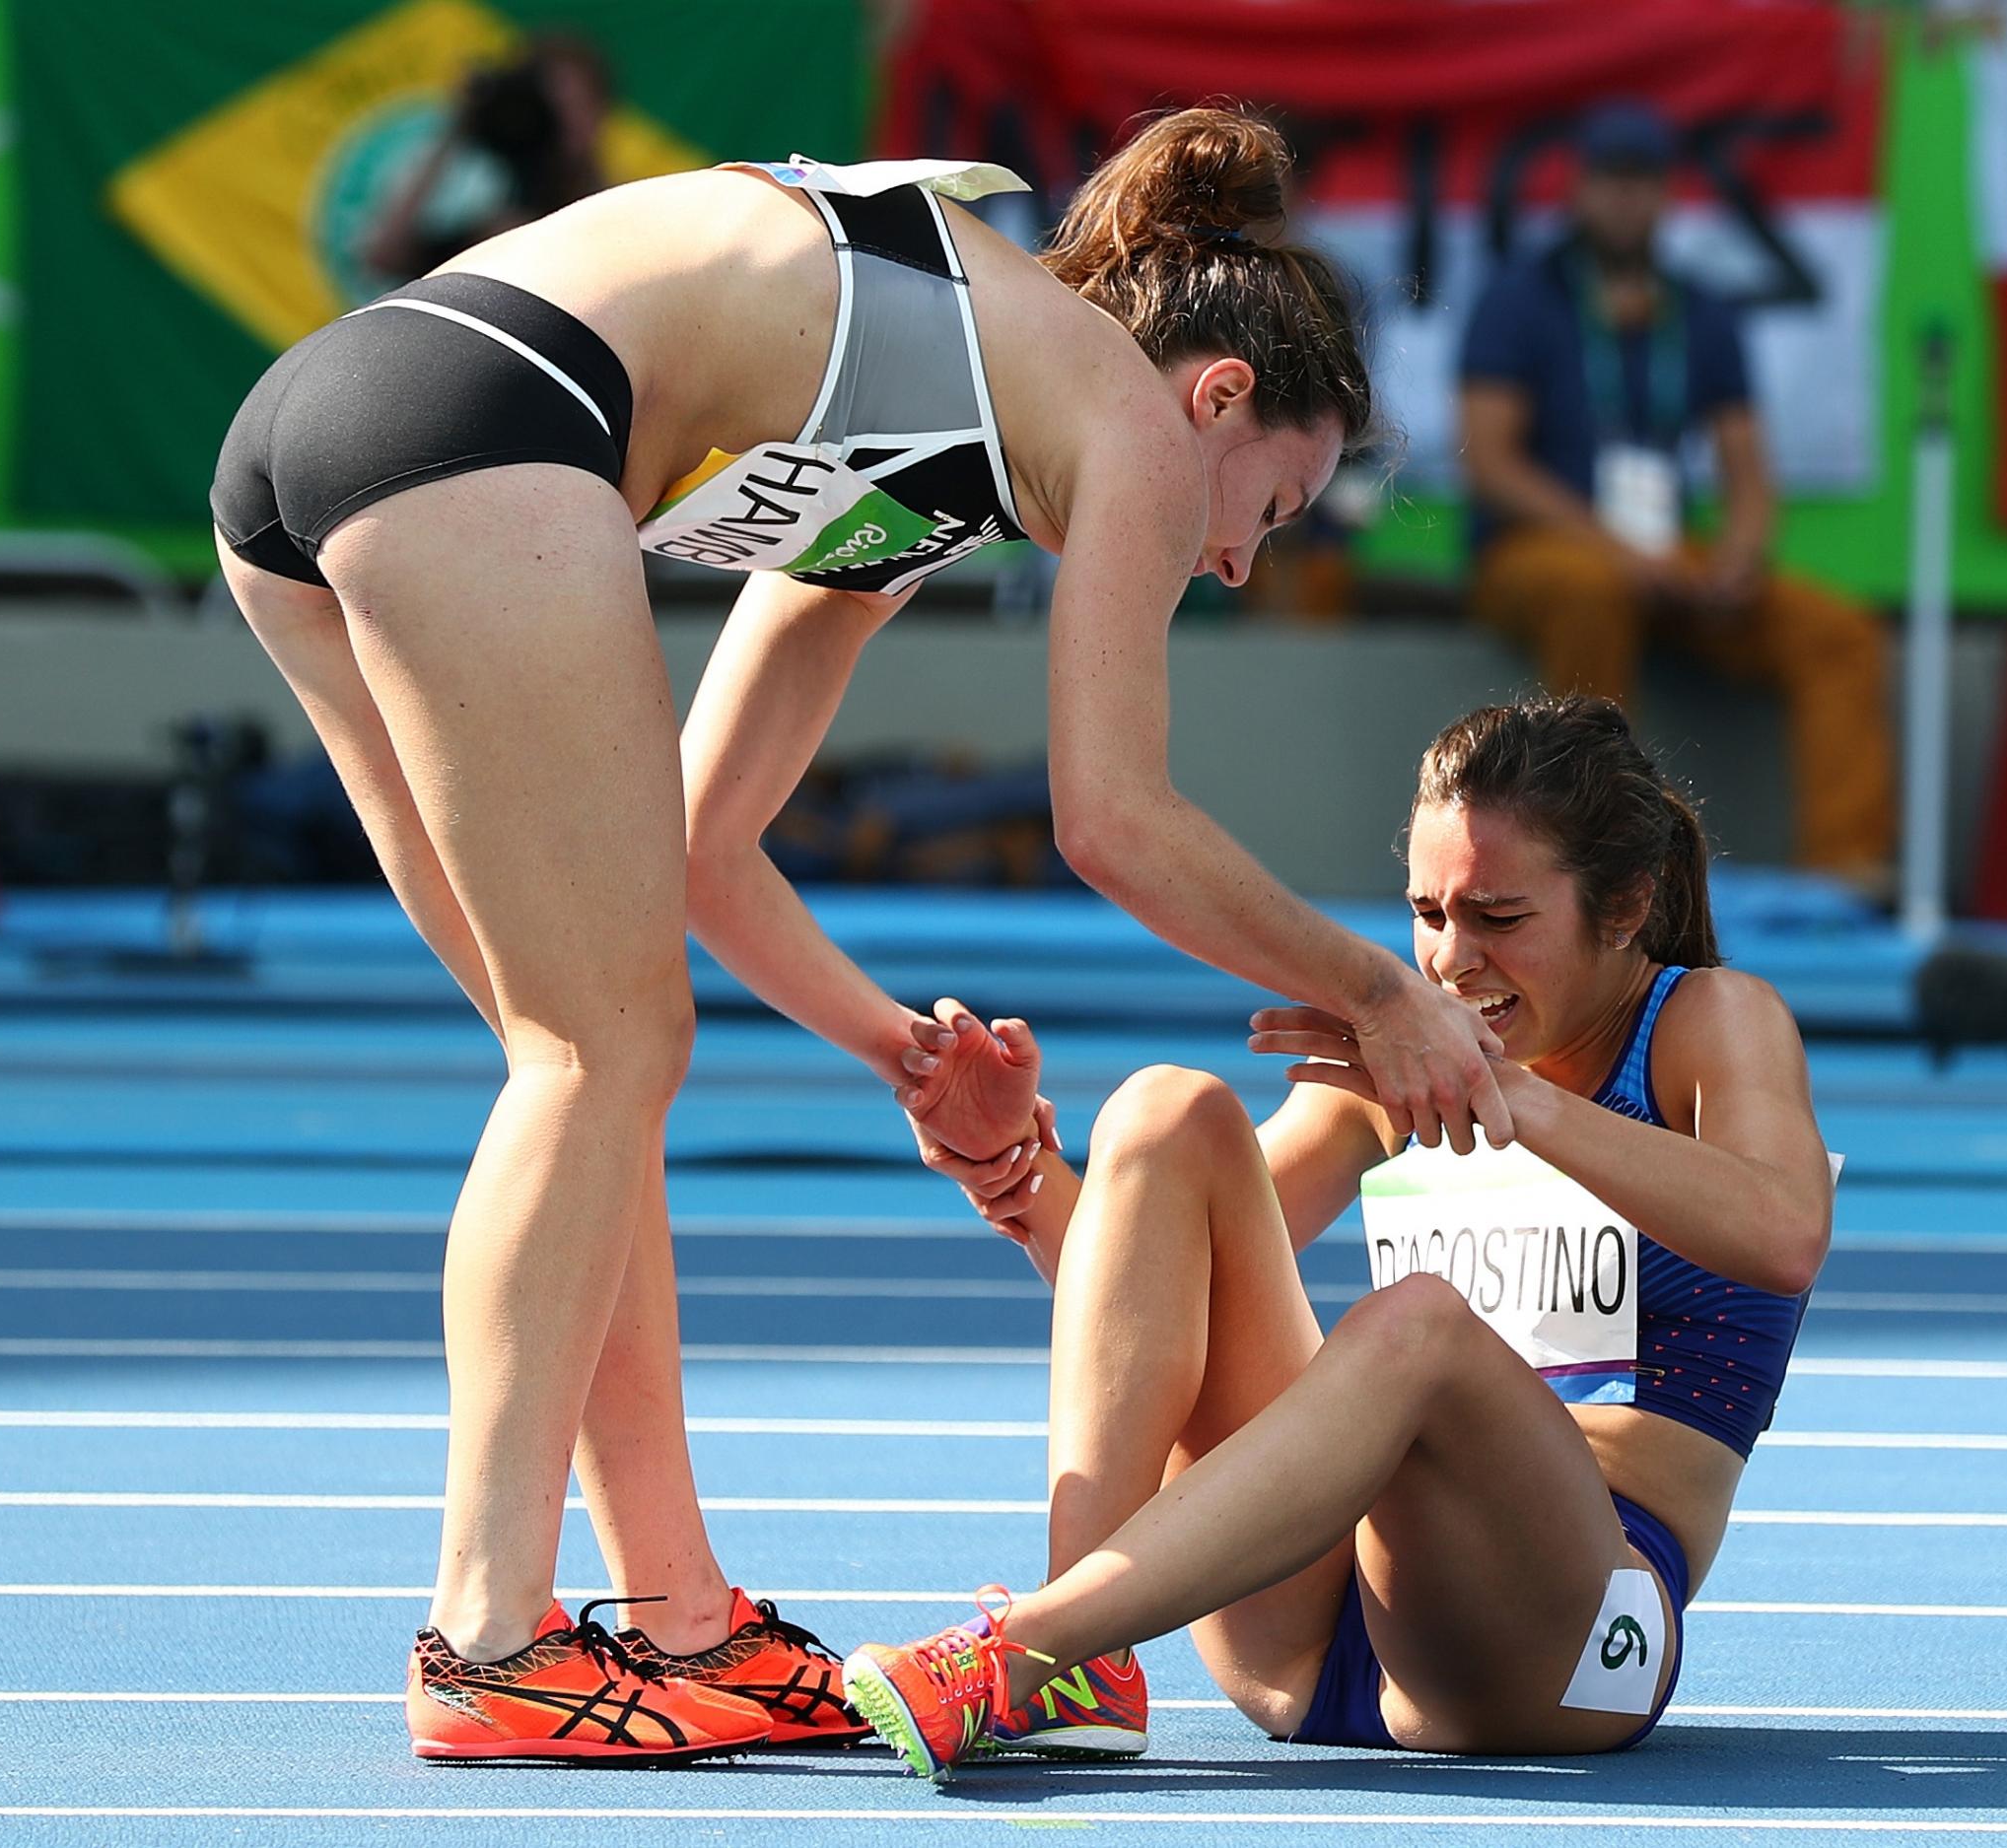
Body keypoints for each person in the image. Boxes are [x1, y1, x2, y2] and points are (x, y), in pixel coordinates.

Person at [207, 106, 1509, 1765]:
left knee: (592, 1085)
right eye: (1280, 498)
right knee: (597, 1055)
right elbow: (1113, 819)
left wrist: (896, 1046)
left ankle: (682, 1617)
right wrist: (1376, 988)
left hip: (333, 425)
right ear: (1219, 399)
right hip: (478, 414)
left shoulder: (933, 448)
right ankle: (483, 1638)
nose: (1244, 558)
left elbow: (704, 840)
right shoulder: (1116, 413)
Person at [843, 694, 1834, 1776]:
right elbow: (1152, 1287)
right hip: (1313, 1627)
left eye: (1499, 919)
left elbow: (1782, 1234)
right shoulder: (1395, 1065)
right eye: (1427, 912)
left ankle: (1030, 1642)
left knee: (1420, 1327)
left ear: (1627, 903)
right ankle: (1084, 1661)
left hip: (1572, 1639)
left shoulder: (1708, 1021)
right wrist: (1014, 1172)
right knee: (1165, 1111)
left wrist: (1514, 1101)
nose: (1451, 962)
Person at [1458, 101, 1893, 887]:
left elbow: (1748, 472)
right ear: (1578, 190)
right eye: (1612, 181)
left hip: (1663, 553)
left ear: (1668, 195)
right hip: (1543, 555)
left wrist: (1738, 555)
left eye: (1645, 182)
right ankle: (1599, 863)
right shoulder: (1521, 296)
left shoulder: (1699, 308)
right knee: (1592, 592)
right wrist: (1619, 551)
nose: (1628, 199)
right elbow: (1491, 463)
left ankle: (1846, 871)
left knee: (1837, 633)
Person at [361, 33, 616, 288]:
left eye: (575, 106)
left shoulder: (614, 216)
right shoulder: (484, 206)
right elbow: (384, 254)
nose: (562, 121)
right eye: (550, 106)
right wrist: (459, 127)